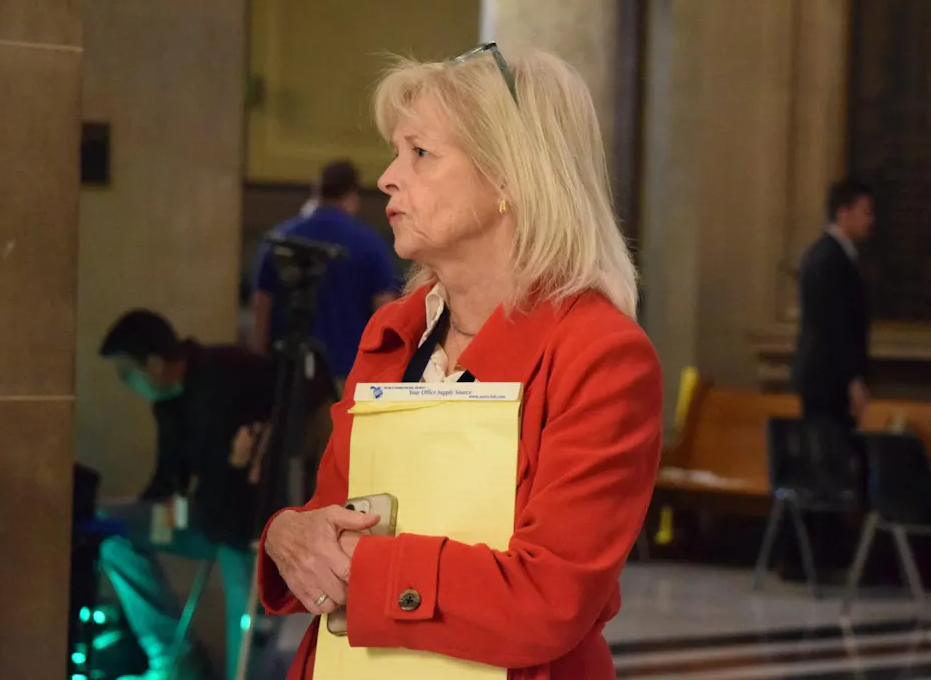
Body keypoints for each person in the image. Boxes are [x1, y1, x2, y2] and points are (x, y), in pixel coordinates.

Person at [256, 44, 663, 680]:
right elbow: (332, 516)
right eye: (395, 153)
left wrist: (359, 571)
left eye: (419, 153)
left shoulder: (601, 355)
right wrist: (285, 533)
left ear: (509, 176)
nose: (388, 177)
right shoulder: (392, 331)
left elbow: (549, 600)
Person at [98, 310, 278, 680]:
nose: (127, 383)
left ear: (153, 364)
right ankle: (173, 658)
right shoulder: (167, 402)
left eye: (127, 373)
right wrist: (155, 510)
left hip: (243, 526)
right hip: (199, 515)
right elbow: (168, 479)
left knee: (242, 625)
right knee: (112, 532)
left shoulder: (228, 369)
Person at [249, 160, 402, 383]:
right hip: (350, 374)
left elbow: (261, 305)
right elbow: (385, 309)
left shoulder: (280, 240)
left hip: (287, 376)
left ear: (317, 191)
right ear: (352, 194)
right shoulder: (370, 244)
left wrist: (258, 364)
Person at [793, 178, 875, 430]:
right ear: (843, 213)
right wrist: (851, 379)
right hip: (829, 382)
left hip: (829, 379)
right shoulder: (829, 260)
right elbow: (833, 325)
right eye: (865, 212)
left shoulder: (828, 255)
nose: (870, 221)